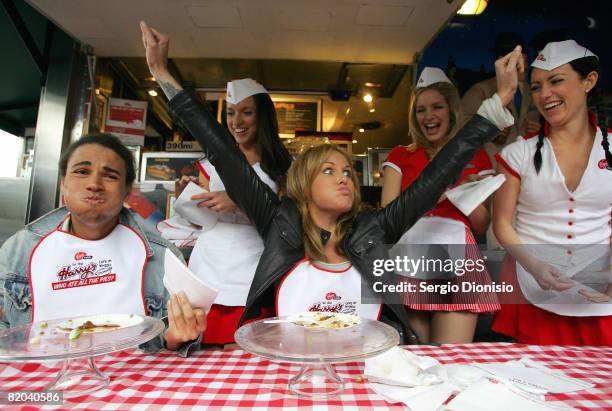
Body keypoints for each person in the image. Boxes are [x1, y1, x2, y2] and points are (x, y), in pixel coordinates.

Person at [140, 21, 519, 343]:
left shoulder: (374, 228)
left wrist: (496, 106)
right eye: (329, 171)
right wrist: (163, 75)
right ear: (303, 186)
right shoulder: (280, 224)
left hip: (363, 371)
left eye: (349, 172)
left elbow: (435, 179)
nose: (345, 178)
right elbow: (222, 150)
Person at [0, 134, 206, 354]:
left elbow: (175, 339)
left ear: (127, 190)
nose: (94, 184)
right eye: (82, 172)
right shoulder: (18, 250)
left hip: (132, 379)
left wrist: (176, 338)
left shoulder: (163, 256)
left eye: (110, 176)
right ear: (63, 183)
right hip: (40, 380)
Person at [491, 40, 612, 345]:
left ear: (589, 81)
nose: (545, 95)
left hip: (598, 286)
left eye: (556, 81)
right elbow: (502, 223)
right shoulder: (518, 153)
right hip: (530, 283)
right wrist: (535, 266)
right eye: (535, 87)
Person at [380, 67, 500, 344]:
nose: (428, 116)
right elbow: (388, 219)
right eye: (421, 110)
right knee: (413, 357)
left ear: (451, 110)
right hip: (409, 255)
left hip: (458, 255)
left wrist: (463, 192)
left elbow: (482, 224)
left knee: (452, 357)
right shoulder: (401, 155)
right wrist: (440, 192)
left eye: (436, 107)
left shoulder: (475, 155)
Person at [175, 78, 292, 345]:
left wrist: (239, 201)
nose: (236, 121)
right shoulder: (209, 165)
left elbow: (289, 221)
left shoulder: (286, 167)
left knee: (250, 350)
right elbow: (196, 224)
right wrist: (188, 199)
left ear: (263, 117)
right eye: (230, 113)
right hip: (209, 268)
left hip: (256, 271)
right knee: (203, 350)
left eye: (246, 112)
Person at [461, 32, 540, 165]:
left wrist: (539, 132)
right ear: (503, 61)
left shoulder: (532, 91)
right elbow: (462, 131)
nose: (525, 67)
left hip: (527, 167)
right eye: (520, 63)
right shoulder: (480, 91)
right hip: (493, 167)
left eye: (526, 62)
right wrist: (489, 132)